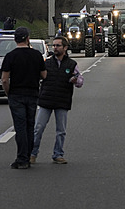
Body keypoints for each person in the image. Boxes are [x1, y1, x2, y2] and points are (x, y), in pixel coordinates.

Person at [30, 36, 83, 164]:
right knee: (38, 128)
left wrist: (75, 80)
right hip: (46, 100)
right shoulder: (46, 63)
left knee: (61, 131)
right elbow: (39, 76)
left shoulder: (71, 64)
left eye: (58, 45)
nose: (55, 48)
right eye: (54, 45)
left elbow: (80, 81)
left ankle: (58, 154)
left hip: (62, 100)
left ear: (65, 48)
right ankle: (32, 153)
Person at [1, 27, 47, 169]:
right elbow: (44, 75)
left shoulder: (10, 56)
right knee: (29, 125)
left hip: (16, 94)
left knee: (20, 127)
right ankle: (28, 155)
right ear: (28, 39)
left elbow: (4, 79)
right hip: (32, 94)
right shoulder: (37, 55)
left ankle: (22, 159)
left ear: (15, 39)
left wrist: (9, 93)